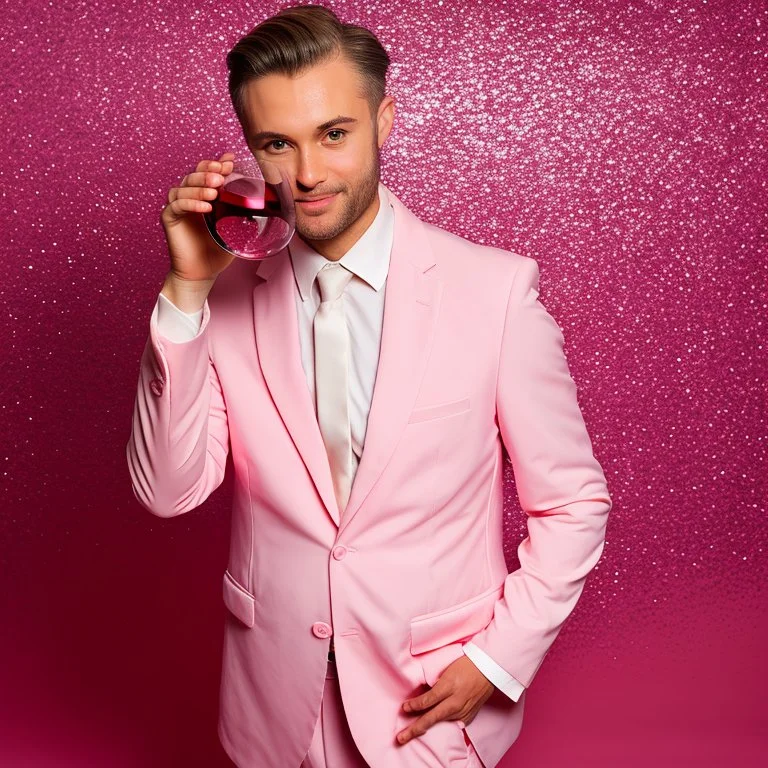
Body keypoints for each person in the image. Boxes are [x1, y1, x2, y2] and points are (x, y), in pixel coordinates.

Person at [126, 5, 612, 767]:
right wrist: (186, 291)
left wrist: (496, 660)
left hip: (424, 708)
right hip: (272, 710)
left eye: (334, 134)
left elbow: (573, 503)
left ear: (384, 121)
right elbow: (168, 490)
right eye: (276, 144)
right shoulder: (220, 302)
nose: (309, 174)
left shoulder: (495, 293)